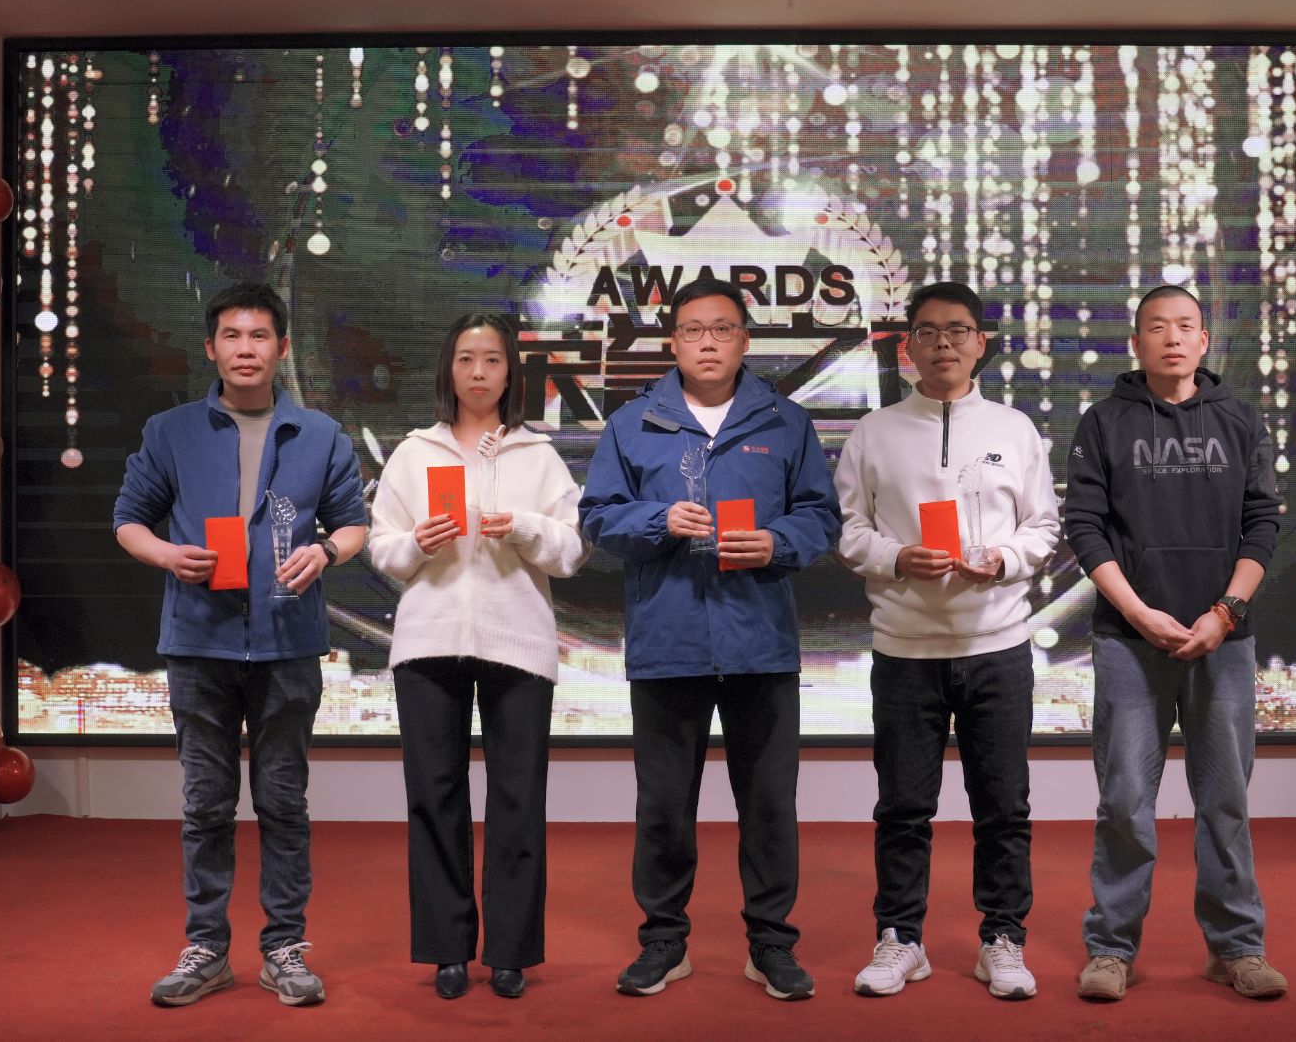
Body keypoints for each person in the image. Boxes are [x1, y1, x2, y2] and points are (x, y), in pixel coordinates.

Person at [579, 277, 841, 1002]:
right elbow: (597, 516)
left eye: (722, 329)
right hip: (669, 642)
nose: (707, 342)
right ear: (673, 341)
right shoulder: (634, 423)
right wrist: (657, 521)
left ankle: (771, 944)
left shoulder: (785, 420)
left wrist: (777, 542)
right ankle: (663, 941)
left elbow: (821, 515)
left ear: (744, 340)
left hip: (760, 642)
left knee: (769, 805)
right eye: (693, 330)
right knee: (664, 805)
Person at [115, 281, 368, 1008]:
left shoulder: (320, 433)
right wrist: (168, 555)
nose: (246, 348)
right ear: (211, 348)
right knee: (206, 804)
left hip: (289, 643)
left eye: (260, 336)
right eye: (232, 335)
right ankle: (207, 947)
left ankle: (284, 947)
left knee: (284, 802)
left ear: (282, 348)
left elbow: (353, 522)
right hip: (199, 642)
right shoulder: (170, 431)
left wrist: (327, 550)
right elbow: (128, 519)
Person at [834, 281, 1059, 1001]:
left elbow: (1044, 529)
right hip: (905, 648)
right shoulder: (873, 432)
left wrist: (1005, 559)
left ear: (981, 342)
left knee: (1004, 807)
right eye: (928, 332)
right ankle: (901, 938)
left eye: (957, 330)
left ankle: (1003, 938)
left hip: (997, 647)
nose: (943, 344)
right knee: (903, 807)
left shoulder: (1015, 430)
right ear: (908, 346)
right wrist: (897, 557)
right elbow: (848, 531)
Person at [1063, 284, 1287, 1002]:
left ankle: (1237, 948)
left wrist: (1225, 612)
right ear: (1136, 342)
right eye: (1157, 327)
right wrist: (1137, 613)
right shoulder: (1104, 421)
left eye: (1185, 325)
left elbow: (1263, 524)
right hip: (1130, 641)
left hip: (1224, 639)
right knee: (1125, 800)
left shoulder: (1241, 419)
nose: (1172, 338)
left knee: (1225, 801)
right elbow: (1084, 527)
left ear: (1203, 339)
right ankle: (1110, 949)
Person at [369, 313, 590, 1000]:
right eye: (466, 358)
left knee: (518, 798)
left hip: (518, 643)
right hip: (429, 642)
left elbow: (571, 550)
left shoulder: (538, 455)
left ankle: (512, 952)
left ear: (510, 372)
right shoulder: (414, 452)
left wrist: (523, 526)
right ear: (449, 368)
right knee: (434, 795)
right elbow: (382, 548)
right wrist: (417, 542)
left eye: (492, 359)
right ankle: (446, 949)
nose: (478, 372)